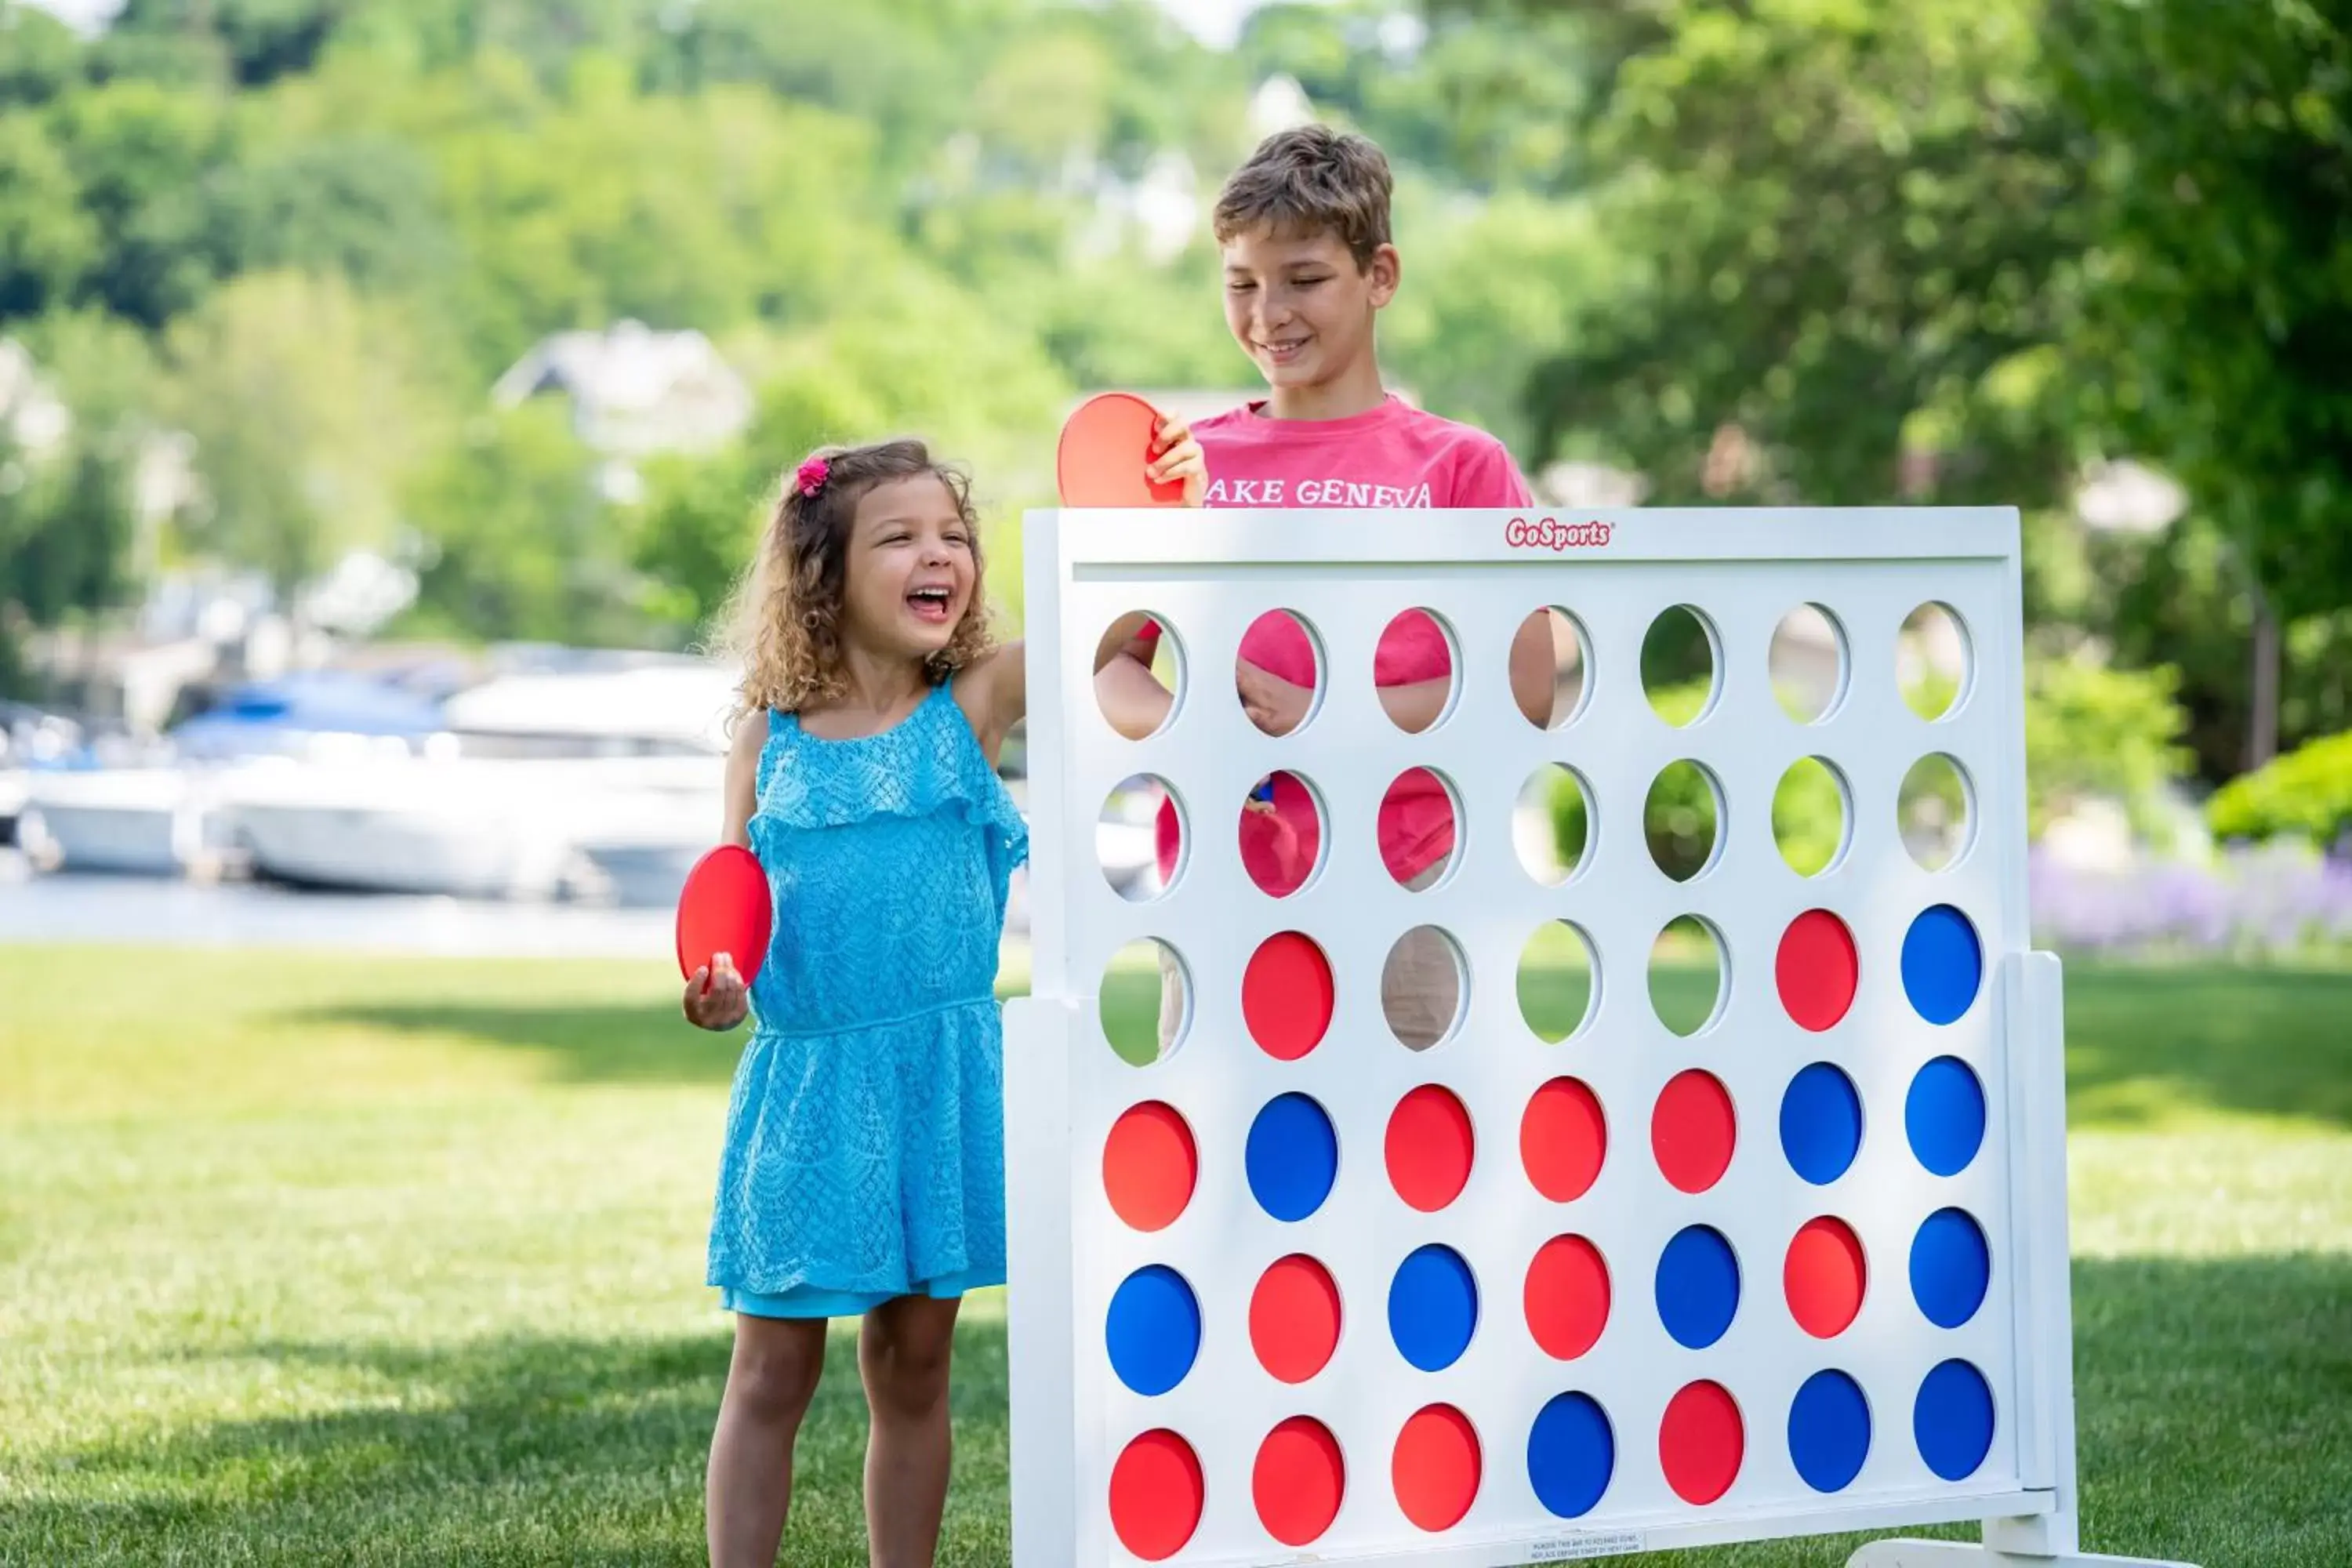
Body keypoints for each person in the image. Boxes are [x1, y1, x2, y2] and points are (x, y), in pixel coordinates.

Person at [682, 436, 1197, 1568]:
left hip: (939, 1085)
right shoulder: (766, 740)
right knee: (771, 1371)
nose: (941, 556)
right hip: (808, 1090)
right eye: (901, 537)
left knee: (913, 1370)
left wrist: (1156, 514)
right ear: (823, 573)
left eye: (955, 536)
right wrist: (716, 996)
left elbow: (1106, 641)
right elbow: (726, 921)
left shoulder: (976, 701)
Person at [1102, 123, 1561, 1051]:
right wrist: (1196, 718)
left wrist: (1325, 710)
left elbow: (1529, 688)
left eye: (1304, 278)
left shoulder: (1461, 464)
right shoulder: (1185, 461)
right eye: (1241, 284)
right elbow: (1111, 663)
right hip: (1218, 879)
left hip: (1416, 877)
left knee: (1422, 1162)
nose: (1269, 312)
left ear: (1379, 275)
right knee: (1223, 1169)